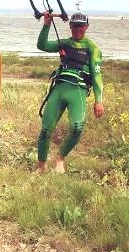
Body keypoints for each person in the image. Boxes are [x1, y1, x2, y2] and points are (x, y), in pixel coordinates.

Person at [35, 11, 104, 173]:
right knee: (46, 130)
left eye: (81, 26)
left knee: (77, 127)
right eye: (74, 25)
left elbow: (97, 75)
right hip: (59, 89)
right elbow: (42, 45)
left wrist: (98, 100)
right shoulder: (64, 43)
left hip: (78, 91)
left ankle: (60, 158)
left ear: (86, 26)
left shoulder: (93, 48)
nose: (77, 29)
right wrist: (46, 24)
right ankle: (41, 165)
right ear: (70, 26)